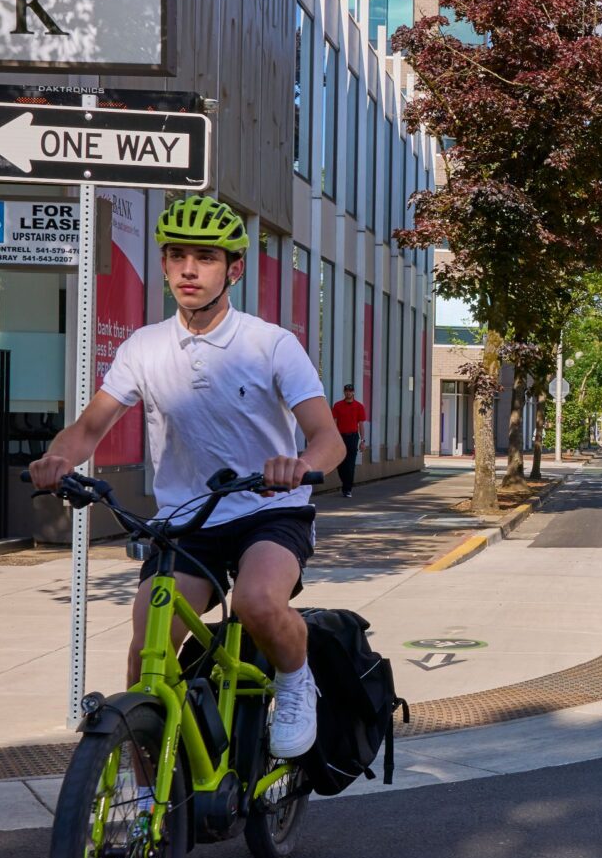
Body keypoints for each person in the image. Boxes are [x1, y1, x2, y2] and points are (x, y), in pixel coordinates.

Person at [27, 195, 349, 757]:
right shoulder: (145, 347)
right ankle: (142, 789)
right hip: (185, 521)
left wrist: (299, 465)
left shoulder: (271, 344)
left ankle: (297, 683)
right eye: (177, 256)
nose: (189, 270)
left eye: (205, 257)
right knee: (148, 644)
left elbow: (330, 440)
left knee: (256, 601)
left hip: (269, 510)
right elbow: (89, 427)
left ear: (235, 269)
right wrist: (58, 458)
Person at [331, 385, 368, 496]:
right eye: (346, 391)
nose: (348, 393)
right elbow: (334, 422)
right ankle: (345, 483)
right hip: (340, 437)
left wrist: (363, 441)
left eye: (350, 391)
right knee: (340, 463)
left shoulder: (359, 406)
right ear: (344, 392)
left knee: (350, 464)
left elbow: (361, 424)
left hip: (352, 437)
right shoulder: (337, 405)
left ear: (353, 392)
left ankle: (347, 489)